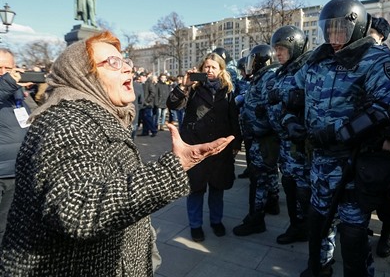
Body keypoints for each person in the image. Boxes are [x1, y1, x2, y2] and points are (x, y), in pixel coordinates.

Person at [0, 31, 234, 275]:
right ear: (83, 74)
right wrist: (171, 168)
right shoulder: (67, 122)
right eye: (113, 62)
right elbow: (78, 210)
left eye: (126, 62)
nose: (127, 69)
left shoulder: (99, 115)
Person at [286, 0, 390, 276]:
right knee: (319, 221)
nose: (335, 37)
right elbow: (294, 94)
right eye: (330, 30)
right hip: (320, 162)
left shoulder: (375, 59)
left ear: (359, 27)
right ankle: (319, 267)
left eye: (341, 30)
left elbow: (385, 108)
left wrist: (338, 133)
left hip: (353, 163)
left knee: (353, 232)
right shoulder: (318, 59)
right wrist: (291, 121)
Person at [167, 53, 242, 242]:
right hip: (196, 146)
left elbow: (233, 118)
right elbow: (173, 104)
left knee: (217, 188)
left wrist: (235, 143)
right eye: (206, 67)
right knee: (196, 188)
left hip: (219, 148)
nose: (209, 71)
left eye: (213, 67)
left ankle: (216, 221)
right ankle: (195, 225)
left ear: (221, 70)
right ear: (201, 69)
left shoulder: (227, 90)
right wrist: (184, 86)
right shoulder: (193, 87)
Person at [265, 25, 311, 245]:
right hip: (285, 143)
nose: (278, 53)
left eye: (282, 48)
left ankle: (305, 227)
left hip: (299, 145)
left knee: (302, 189)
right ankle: (297, 224)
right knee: (290, 186)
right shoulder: (284, 71)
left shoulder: (306, 69)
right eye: (276, 48)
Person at [232, 44, 282, 236]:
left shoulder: (268, 78)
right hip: (259, 137)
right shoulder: (261, 78)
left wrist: (259, 126)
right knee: (265, 176)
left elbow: (272, 109)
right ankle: (270, 205)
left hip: (263, 138)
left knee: (258, 179)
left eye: (253, 61)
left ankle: (256, 219)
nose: (250, 65)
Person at [365, 15, 390, 258]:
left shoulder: (389, 60)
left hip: (382, 139)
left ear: (380, 36)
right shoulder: (355, 57)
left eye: (369, 33)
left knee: (387, 189)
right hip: (360, 137)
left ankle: (388, 230)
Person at [0, 48, 32, 246]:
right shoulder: (8, 86)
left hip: (16, 172)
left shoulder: (17, 93)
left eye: (8, 67)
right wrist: (8, 83)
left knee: (7, 227)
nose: (3, 72)